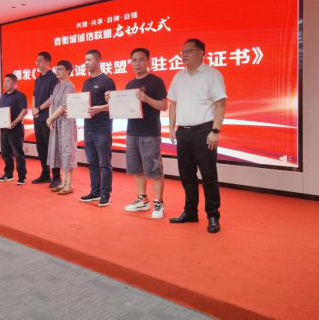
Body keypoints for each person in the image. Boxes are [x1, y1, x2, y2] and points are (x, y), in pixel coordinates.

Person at [167, 38, 227, 233]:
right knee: (187, 175)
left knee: (208, 176)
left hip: (204, 131)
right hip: (183, 132)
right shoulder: (178, 76)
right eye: (183, 51)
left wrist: (215, 131)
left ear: (201, 53)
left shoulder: (212, 74)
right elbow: (173, 103)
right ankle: (190, 212)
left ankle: (213, 215)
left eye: (189, 51)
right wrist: (171, 127)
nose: (184, 54)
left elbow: (220, 103)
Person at [107, 48, 168, 218]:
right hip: (132, 131)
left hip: (149, 132)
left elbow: (164, 106)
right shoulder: (129, 85)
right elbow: (125, 108)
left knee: (154, 169)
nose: (137, 63)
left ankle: (158, 203)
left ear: (148, 61)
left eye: (141, 59)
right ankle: (142, 200)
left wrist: (146, 99)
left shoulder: (156, 81)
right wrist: (112, 101)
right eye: (134, 60)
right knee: (137, 168)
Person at [79, 49, 116, 206]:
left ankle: (105, 193)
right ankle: (95, 191)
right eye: (85, 60)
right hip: (88, 127)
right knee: (92, 162)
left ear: (98, 61)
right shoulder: (85, 82)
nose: (86, 62)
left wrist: (100, 109)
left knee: (104, 163)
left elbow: (115, 105)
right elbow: (83, 104)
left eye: (90, 59)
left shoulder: (107, 81)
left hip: (102, 128)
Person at [46, 60, 78, 195]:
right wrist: (51, 119)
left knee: (67, 152)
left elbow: (64, 106)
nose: (57, 71)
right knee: (59, 152)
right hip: (56, 122)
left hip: (66, 123)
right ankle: (63, 182)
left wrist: (50, 118)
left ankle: (69, 184)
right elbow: (52, 104)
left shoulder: (69, 86)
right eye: (56, 69)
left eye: (60, 69)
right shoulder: (57, 86)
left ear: (68, 71)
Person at [31, 52, 61, 188]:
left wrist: (39, 108)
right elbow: (34, 96)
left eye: (40, 60)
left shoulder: (53, 78)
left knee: (51, 147)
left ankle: (56, 176)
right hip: (37, 118)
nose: (38, 63)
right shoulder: (38, 79)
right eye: (37, 60)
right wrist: (34, 109)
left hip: (48, 118)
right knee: (41, 147)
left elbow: (52, 97)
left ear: (48, 62)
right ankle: (45, 174)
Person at [0, 74, 28, 185]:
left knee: (18, 153)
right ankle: (8, 174)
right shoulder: (3, 97)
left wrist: (15, 122)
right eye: (4, 81)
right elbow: (0, 113)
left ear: (15, 83)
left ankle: (22, 176)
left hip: (16, 128)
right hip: (4, 129)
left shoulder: (20, 96)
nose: (5, 83)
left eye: (8, 81)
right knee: (5, 153)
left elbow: (24, 111)